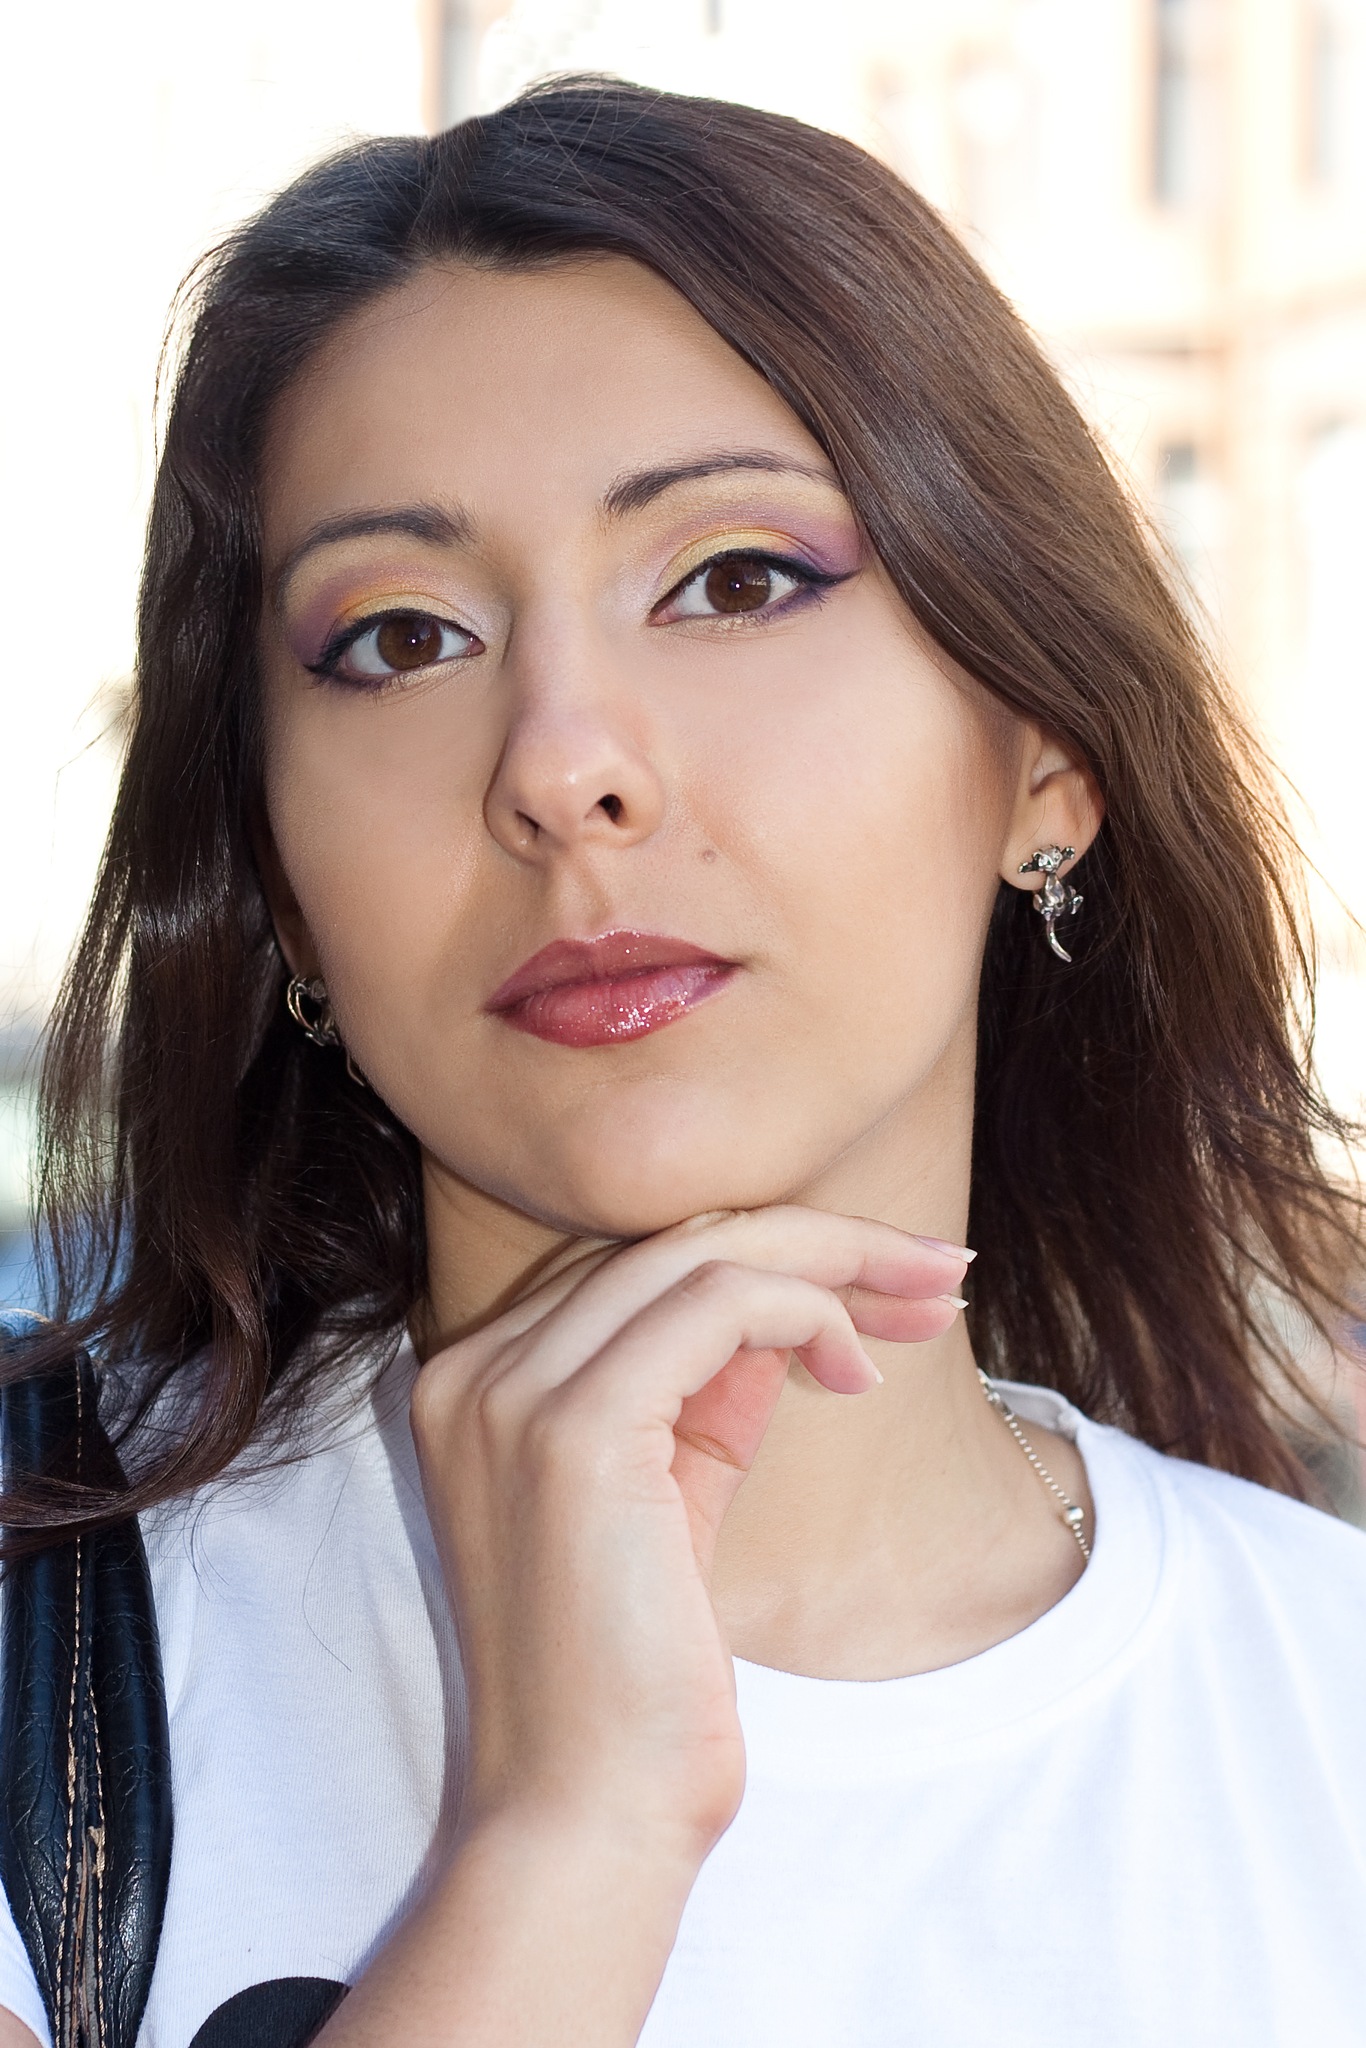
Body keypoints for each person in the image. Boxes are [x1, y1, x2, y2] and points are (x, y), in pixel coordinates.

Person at [1, 77, 1364, 2048]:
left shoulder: (1318, 1710)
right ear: (280, 881)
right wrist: (567, 1845)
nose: (563, 766)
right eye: (400, 639)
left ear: (1044, 759)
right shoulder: (51, 1614)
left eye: (733, 581)